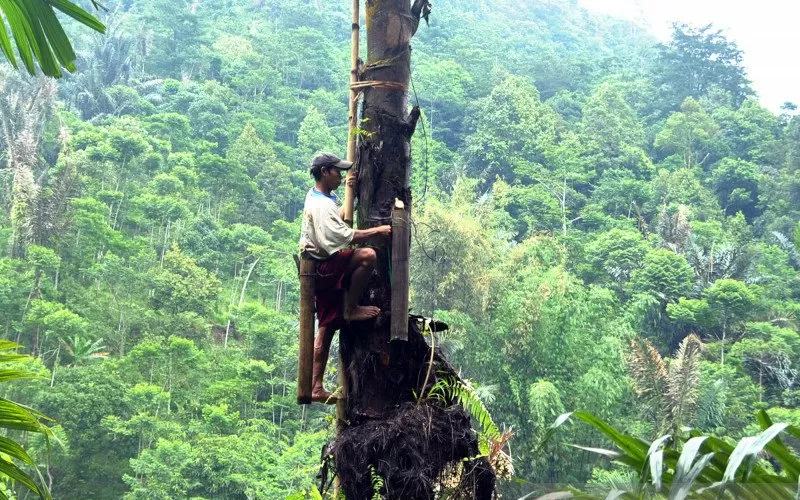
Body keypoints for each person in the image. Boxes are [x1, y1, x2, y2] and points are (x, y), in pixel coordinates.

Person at [298, 152, 392, 403]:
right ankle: (350, 307)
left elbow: (335, 220)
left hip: (318, 266)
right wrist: (378, 230)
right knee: (368, 256)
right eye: (337, 171)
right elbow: (343, 236)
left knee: (327, 326)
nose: (340, 175)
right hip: (323, 266)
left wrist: (350, 195)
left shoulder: (319, 197)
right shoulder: (319, 205)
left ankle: (316, 386)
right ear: (325, 172)